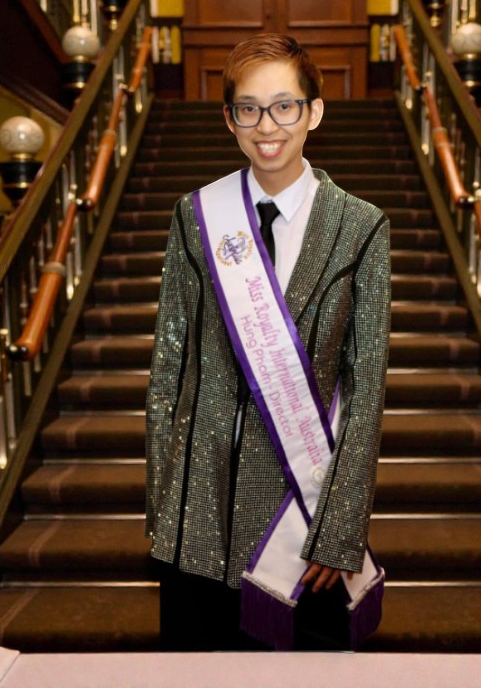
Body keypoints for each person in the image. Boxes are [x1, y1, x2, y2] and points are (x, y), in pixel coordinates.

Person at [145, 33, 391, 652]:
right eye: (249, 109)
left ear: (314, 111)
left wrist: (340, 528)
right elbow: (169, 367)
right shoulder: (196, 216)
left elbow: (366, 388)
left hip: (303, 519)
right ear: (230, 119)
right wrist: (165, 501)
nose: (267, 125)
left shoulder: (362, 227)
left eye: (284, 106)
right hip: (198, 511)